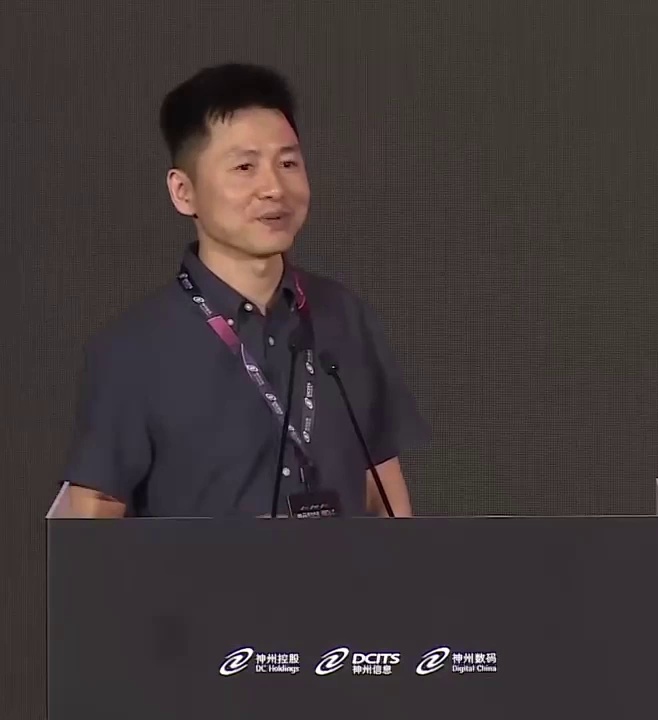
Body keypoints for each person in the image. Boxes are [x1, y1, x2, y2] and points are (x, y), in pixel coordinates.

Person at [56, 63, 428, 518]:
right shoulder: (131, 350)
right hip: (198, 570)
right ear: (183, 192)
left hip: (344, 569)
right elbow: (93, 519)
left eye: (288, 163)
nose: (274, 188)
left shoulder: (347, 318)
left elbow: (384, 493)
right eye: (245, 167)